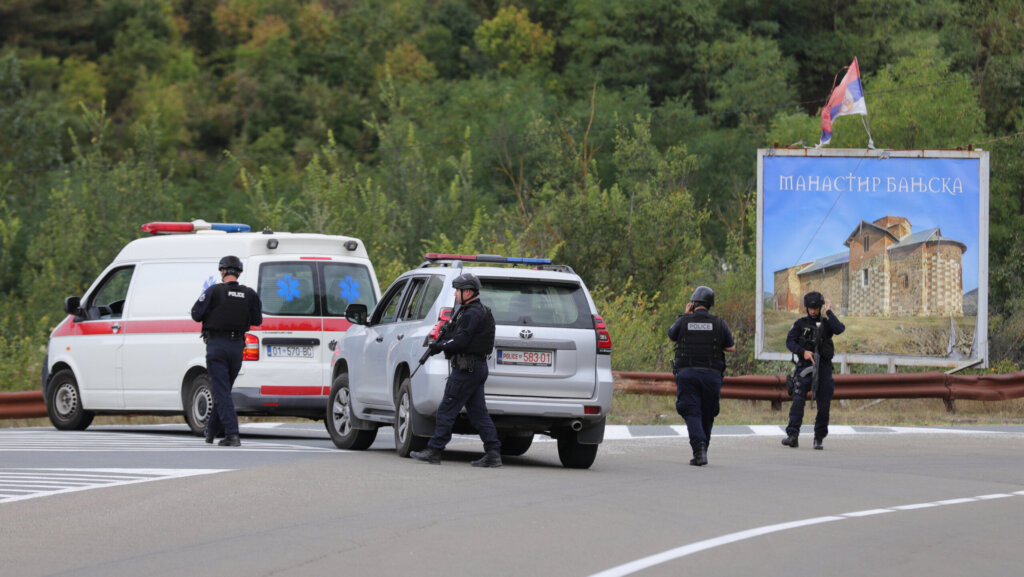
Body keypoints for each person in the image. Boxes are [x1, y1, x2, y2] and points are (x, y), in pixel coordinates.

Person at [411, 273, 502, 467]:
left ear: (467, 291)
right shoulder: (476, 310)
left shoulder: (472, 313)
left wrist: (440, 346)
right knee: (478, 413)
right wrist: (443, 339)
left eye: (458, 290)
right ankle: (493, 453)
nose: (455, 293)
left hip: (467, 368)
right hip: (476, 368)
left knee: (446, 409)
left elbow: (461, 341)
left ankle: (434, 451)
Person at [190, 255, 262, 447]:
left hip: (217, 345)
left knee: (221, 391)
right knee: (223, 390)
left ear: (222, 271)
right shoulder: (250, 294)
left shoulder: (213, 291)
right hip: (237, 347)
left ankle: (232, 433)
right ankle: (211, 432)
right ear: (239, 272)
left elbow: (196, 314)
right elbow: (257, 320)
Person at [668, 286, 736, 466]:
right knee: (707, 413)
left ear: (692, 304)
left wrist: (684, 315)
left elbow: (671, 337)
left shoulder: (684, 321)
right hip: (711, 376)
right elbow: (731, 347)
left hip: (687, 375)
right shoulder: (719, 323)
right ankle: (704, 449)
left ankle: (699, 450)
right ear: (710, 305)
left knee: (691, 411)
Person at [782, 291, 845, 450]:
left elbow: (840, 329)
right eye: (810, 308)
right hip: (804, 366)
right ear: (807, 308)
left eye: (816, 308)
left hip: (823, 368)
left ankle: (818, 438)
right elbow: (789, 341)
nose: (813, 311)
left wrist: (830, 312)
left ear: (820, 307)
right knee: (797, 401)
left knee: (824, 405)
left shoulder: (826, 323)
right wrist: (803, 352)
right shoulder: (800, 324)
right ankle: (793, 435)